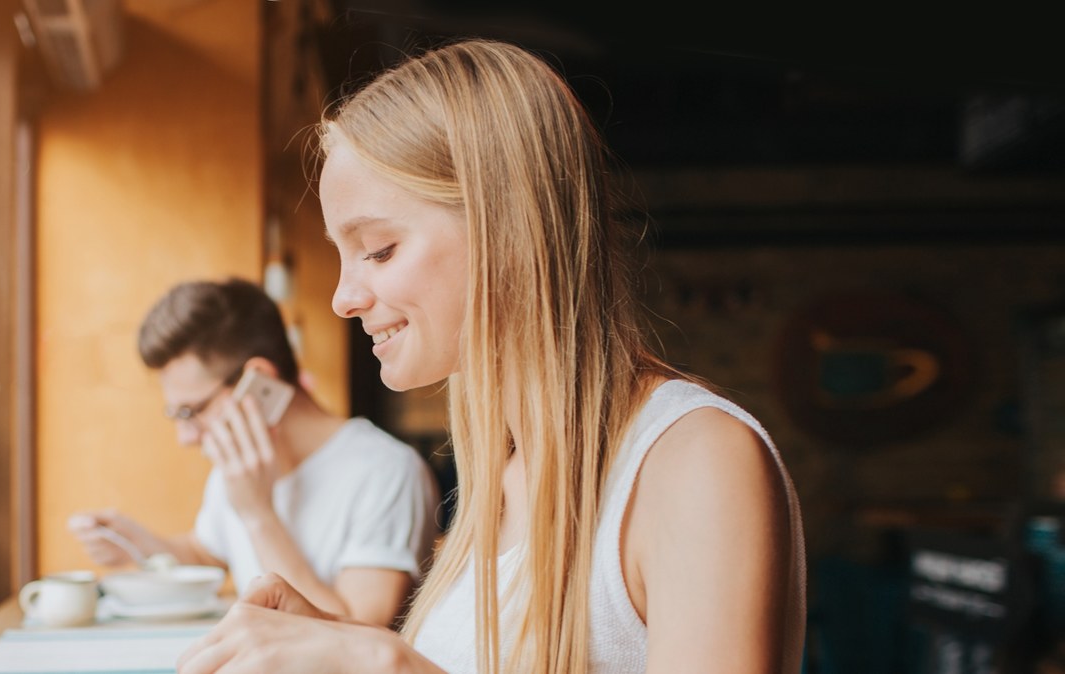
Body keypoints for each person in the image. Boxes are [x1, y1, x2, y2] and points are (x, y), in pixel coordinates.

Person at [175, 38, 807, 674]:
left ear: (504, 229)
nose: (343, 298)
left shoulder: (693, 460)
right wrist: (332, 646)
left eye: (380, 248)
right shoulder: (501, 482)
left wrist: (391, 666)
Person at [67, 278, 440, 628]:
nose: (185, 437)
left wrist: (258, 513)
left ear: (258, 379)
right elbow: (208, 552)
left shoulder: (386, 471)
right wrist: (138, 545)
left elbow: (360, 633)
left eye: (191, 411)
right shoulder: (237, 464)